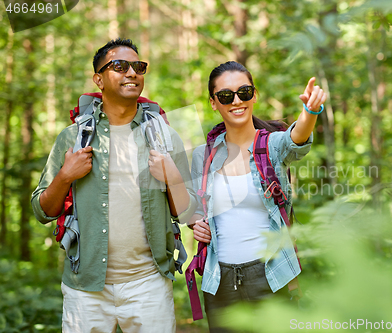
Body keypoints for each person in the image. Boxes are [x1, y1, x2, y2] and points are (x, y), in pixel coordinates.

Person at [31, 38, 195, 333]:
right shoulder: (72, 138)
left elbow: (187, 212)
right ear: (99, 79)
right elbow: (42, 211)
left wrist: (173, 176)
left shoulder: (166, 138)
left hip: (150, 284)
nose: (132, 72)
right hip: (86, 288)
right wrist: (65, 176)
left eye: (138, 66)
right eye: (120, 66)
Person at [189, 61, 326, 332]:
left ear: (255, 94)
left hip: (271, 275)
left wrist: (310, 111)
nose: (236, 100)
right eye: (226, 96)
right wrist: (196, 223)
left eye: (244, 92)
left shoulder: (271, 145)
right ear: (214, 103)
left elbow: (295, 138)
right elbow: (194, 204)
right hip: (219, 282)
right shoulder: (202, 155)